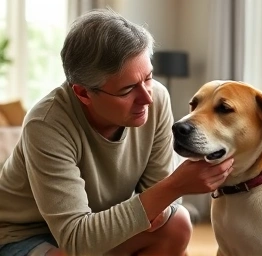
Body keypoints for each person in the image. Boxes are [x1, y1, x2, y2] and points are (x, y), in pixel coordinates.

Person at [0, 8, 234, 256]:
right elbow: (76, 239)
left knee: (177, 223)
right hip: (22, 234)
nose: (146, 98)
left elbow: (164, 212)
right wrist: (175, 185)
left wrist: (162, 198)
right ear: (83, 93)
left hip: (94, 226)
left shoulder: (157, 98)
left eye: (148, 77)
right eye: (127, 90)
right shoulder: (46, 123)